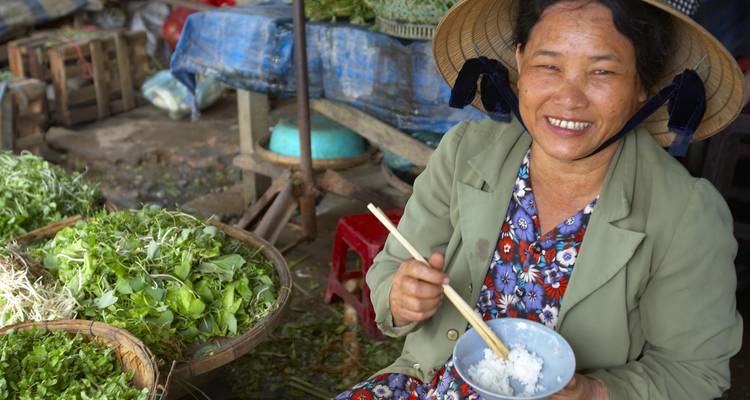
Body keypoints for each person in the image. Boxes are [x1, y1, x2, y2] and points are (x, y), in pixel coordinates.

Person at [335, 0, 744, 399]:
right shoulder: (465, 152)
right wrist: (401, 296)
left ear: (643, 84)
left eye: (602, 71)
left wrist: (595, 392)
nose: (569, 98)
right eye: (549, 65)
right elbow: (390, 271)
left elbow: (694, 372)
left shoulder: (685, 212)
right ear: (519, 61)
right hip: (430, 385)